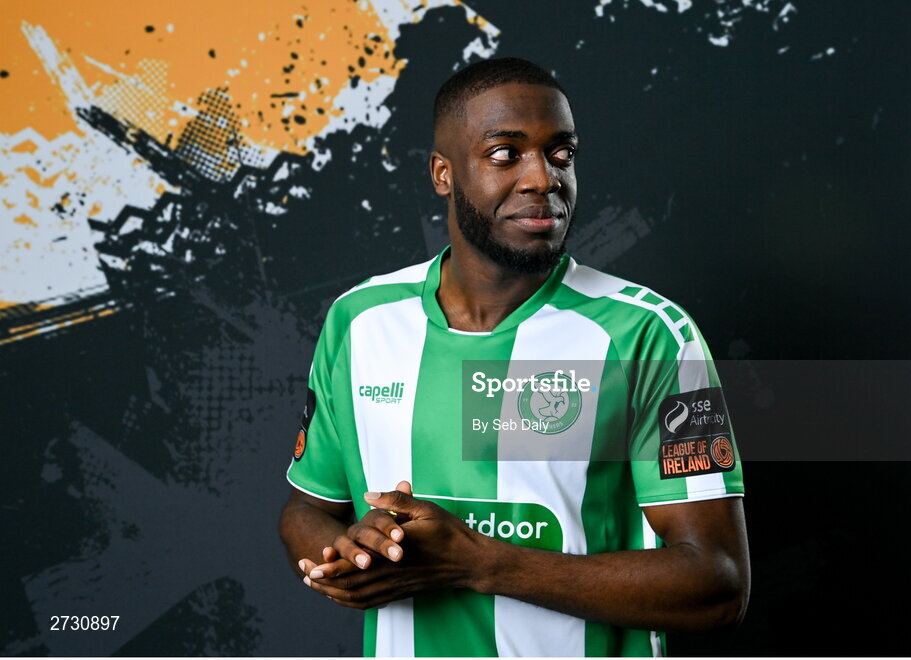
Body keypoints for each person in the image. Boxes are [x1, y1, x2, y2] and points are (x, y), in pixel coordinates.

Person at [278, 57, 749, 657]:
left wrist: (477, 564)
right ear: (443, 174)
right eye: (506, 153)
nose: (543, 178)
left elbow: (718, 585)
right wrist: (344, 552)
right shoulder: (360, 320)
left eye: (561, 153)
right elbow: (305, 510)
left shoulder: (649, 334)